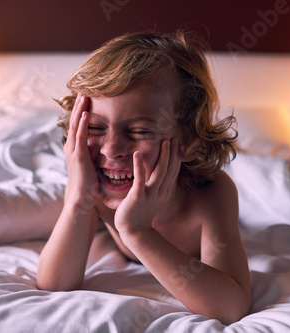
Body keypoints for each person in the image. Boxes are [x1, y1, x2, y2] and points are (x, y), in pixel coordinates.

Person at [37, 30, 251, 324]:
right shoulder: (94, 188)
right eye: (96, 128)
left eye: (140, 132)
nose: (111, 150)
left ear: (189, 141)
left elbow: (230, 307)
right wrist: (78, 201)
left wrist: (137, 231)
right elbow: (54, 284)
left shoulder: (210, 193)